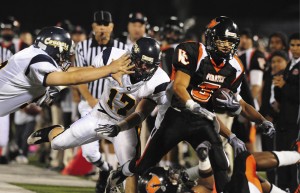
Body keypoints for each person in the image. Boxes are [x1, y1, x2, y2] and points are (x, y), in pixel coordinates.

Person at [99, 16, 276, 193]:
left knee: (221, 163)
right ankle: (119, 174)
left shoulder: (235, 66)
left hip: (202, 120)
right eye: (222, 40)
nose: (227, 46)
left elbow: (241, 104)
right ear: (211, 38)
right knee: (144, 164)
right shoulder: (192, 51)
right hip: (175, 115)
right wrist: (193, 105)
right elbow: (179, 86)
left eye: (230, 42)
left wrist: (262, 121)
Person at [27, 37, 170, 192]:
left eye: (148, 65)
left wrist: (119, 127)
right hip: (99, 115)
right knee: (57, 143)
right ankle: (54, 131)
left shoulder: (159, 82)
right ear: (132, 57)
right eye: (140, 62)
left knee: (131, 170)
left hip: (125, 126)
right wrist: (58, 81)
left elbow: (142, 113)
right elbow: (85, 71)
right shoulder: (114, 56)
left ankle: (117, 179)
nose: (142, 68)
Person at [0, 26, 132, 117]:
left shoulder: (33, 54)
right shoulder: (38, 60)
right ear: (56, 48)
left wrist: (100, 70)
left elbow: (67, 71)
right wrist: (109, 68)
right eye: (64, 54)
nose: (65, 59)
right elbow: (72, 78)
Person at [273, 32, 300, 192]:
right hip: (283, 121)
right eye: (293, 45)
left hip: (296, 124)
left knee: (294, 162)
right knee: (281, 161)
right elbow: (281, 98)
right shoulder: (289, 66)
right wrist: (277, 85)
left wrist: (284, 85)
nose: (295, 48)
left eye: (298, 45)